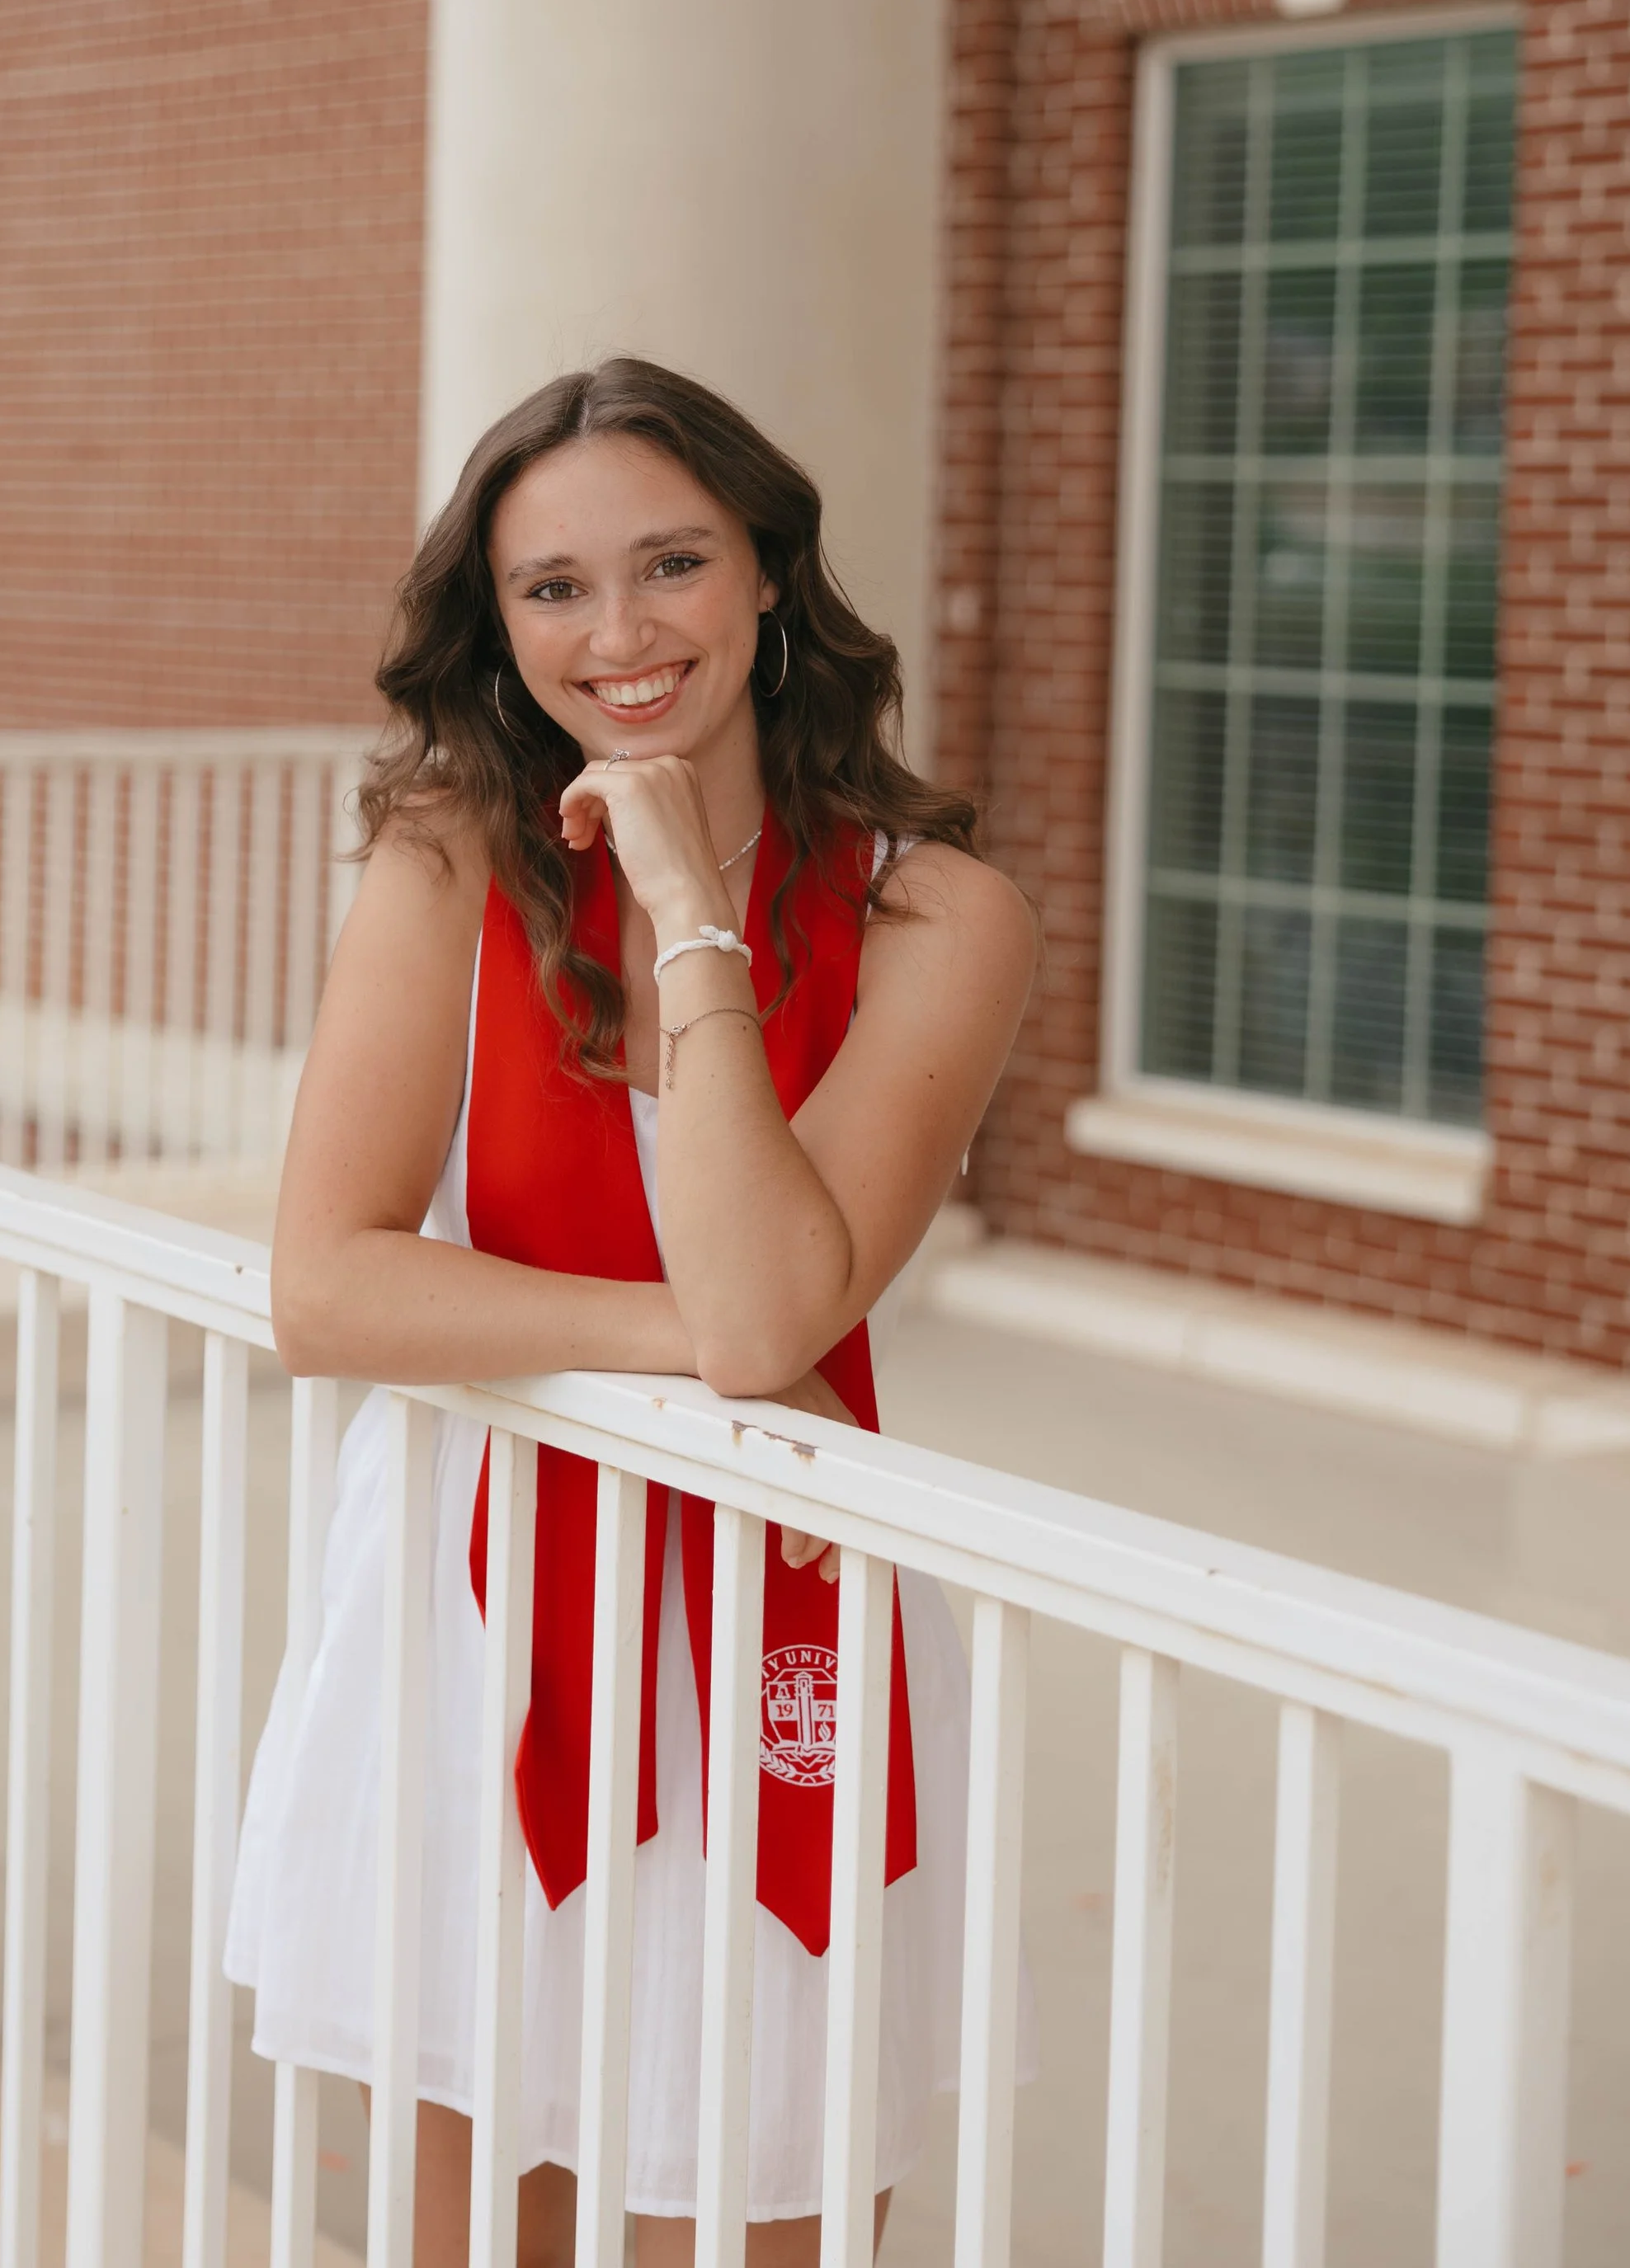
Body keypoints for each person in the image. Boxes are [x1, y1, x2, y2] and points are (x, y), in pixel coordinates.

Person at [225, 360, 1035, 2268]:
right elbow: (326, 1281)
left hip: (782, 1620)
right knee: (479, 2194)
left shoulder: (941, 921)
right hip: (482, 1603)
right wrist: (692, 1336)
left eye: (669, 562)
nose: (619, 631)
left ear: (767, 574)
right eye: (552, 588)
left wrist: (683, 902)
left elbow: (775, 1294)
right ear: (497, 628)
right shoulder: (446, 868)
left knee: (769, 2191)